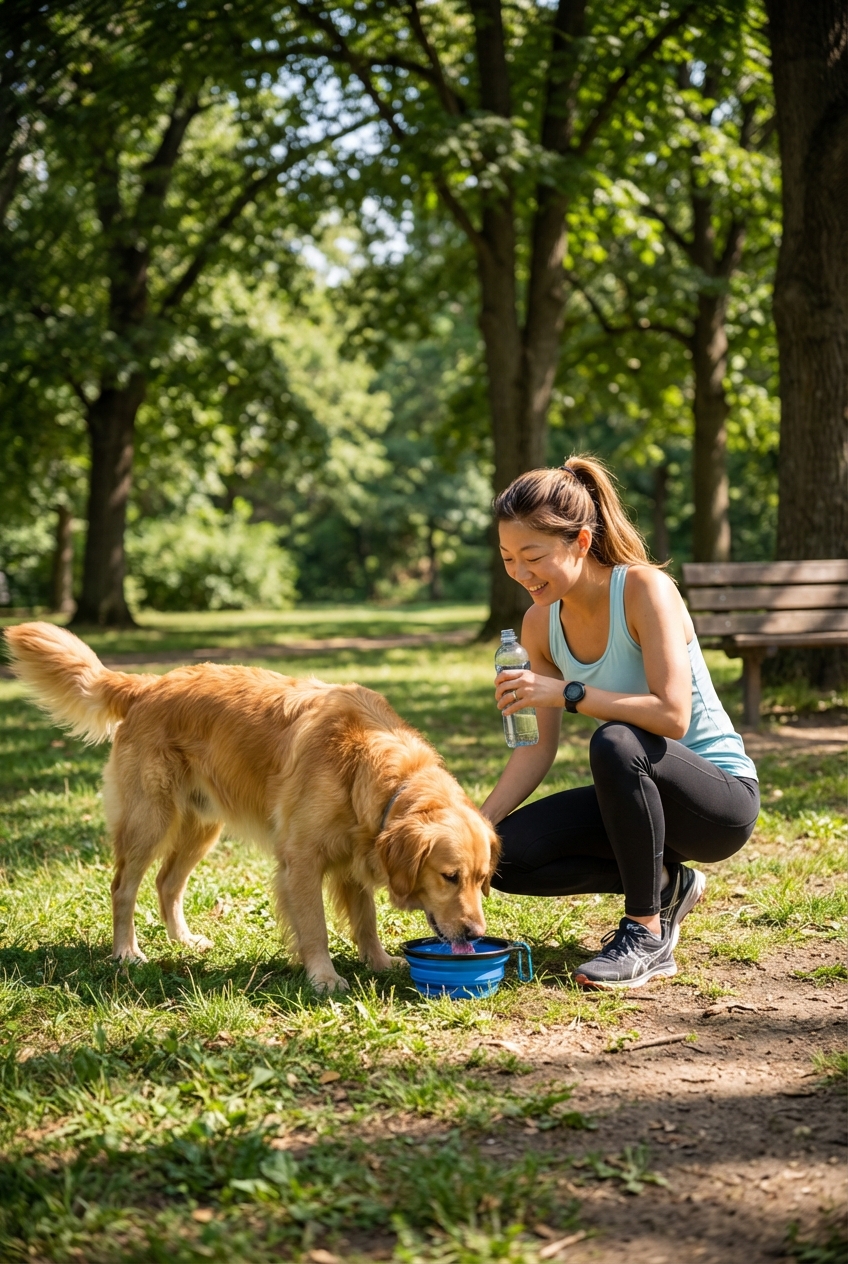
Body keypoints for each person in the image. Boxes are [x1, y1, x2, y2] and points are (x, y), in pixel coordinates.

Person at [480, 455, 759, 989]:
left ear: (581, 542)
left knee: (615, 741)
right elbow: (534, 750)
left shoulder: (644, 590)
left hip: (717, 799)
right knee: (504, 858)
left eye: (533, 556)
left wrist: (566, 691)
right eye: (508, 557)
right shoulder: (539, 624)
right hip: (640, 798)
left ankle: (646, 933)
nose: (520, 573)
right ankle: (666, 885)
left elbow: (672, 716)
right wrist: (475, 830)